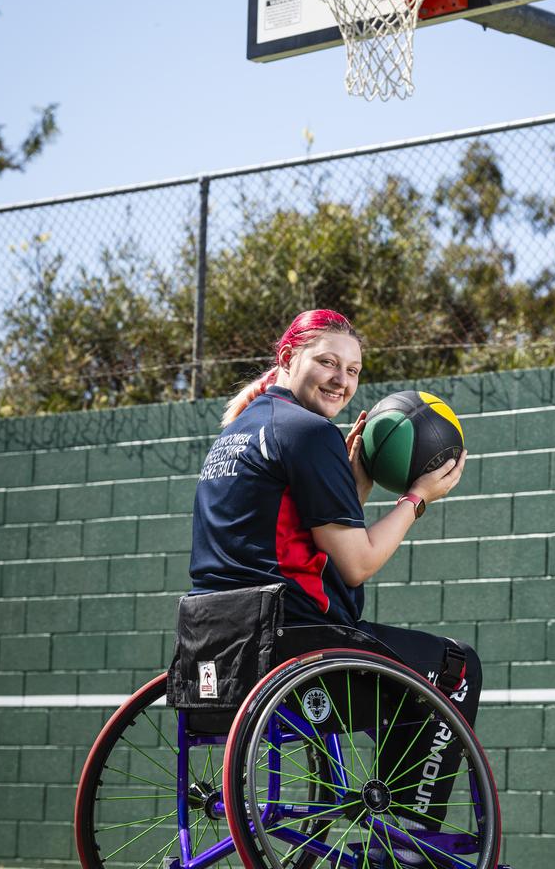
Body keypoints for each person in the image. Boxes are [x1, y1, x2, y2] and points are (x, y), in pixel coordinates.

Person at [189, 308, 482, 832]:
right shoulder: (308, 433)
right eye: (327, 362)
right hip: (297, 654)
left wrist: (354, 486)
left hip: (218, 656)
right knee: (455, 670)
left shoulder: (236, 434)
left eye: (353, 370)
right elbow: (355, 564)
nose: (341, 380)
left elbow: (290, 545)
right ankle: (407, 839)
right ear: (288, 357)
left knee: (407, 668)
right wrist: (418, 498)